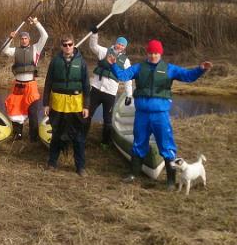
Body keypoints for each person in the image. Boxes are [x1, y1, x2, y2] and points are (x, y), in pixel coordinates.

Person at [107, 39, 212, 190]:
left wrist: (200, 69)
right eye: (150, 53)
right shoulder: (138, 68)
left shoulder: (169, 69)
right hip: (142, 114)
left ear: (160, 53)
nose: (153, 56)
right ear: (147, 53)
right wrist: (112, 65)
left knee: (166, 145)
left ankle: (170, 181)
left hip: (160, 115)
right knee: (139, 143)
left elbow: (188, 76)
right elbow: (123, 75)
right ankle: (133, 174)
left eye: (156, 53)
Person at [43, 34, 90, 177]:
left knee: (78, 136)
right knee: (56, 134)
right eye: (65, 45)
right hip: (58, 104)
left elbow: (86, 86)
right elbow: (48, 83)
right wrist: (46, 104)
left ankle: (80, 167)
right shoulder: (55, 61)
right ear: (61, 46)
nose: (67, 47)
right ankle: (52, 163)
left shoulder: (81, 62)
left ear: (74, 44)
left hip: (75, 104)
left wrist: (86, 106)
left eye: (70, 44)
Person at [2, 16, 49, 141]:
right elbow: (4, 49)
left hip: (31, 86)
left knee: (33, 112)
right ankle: (18, 135)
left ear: (29, 39)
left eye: (25, 38)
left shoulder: (36, 49)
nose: (23, 40)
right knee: (15, 109)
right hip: (18, 85)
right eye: (22, 38)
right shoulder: (15, 50)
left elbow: (45, 36)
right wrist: (9, 38)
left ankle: (34, 137)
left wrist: (37, 23)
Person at [87, 26, 133, 149]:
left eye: (122, 45)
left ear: (125, 48)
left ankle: (105, 142)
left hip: (110, 93)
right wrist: (94, 34)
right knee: (87, 114)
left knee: (107, 119)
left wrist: (129, 95)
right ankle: (82, 137)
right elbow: (93, 46)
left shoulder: (126, 61)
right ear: (115, 43)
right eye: (118, 44)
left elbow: (128, 78)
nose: (120, 46)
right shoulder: (104, 51)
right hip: (96, 89)